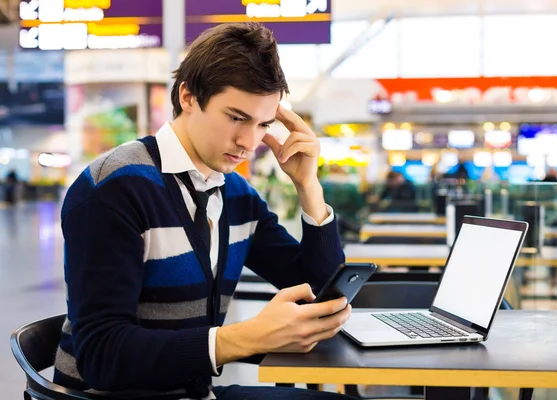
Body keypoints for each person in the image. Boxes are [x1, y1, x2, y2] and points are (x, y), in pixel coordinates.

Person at [54, 23, 354, 400]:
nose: (249, 142)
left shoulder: (234, 193)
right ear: (189, 97)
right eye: (235, 117)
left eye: (263, 124)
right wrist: (242, 338)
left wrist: (309, 187)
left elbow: (320, 292)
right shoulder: (115, 187)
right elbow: (102, 358)